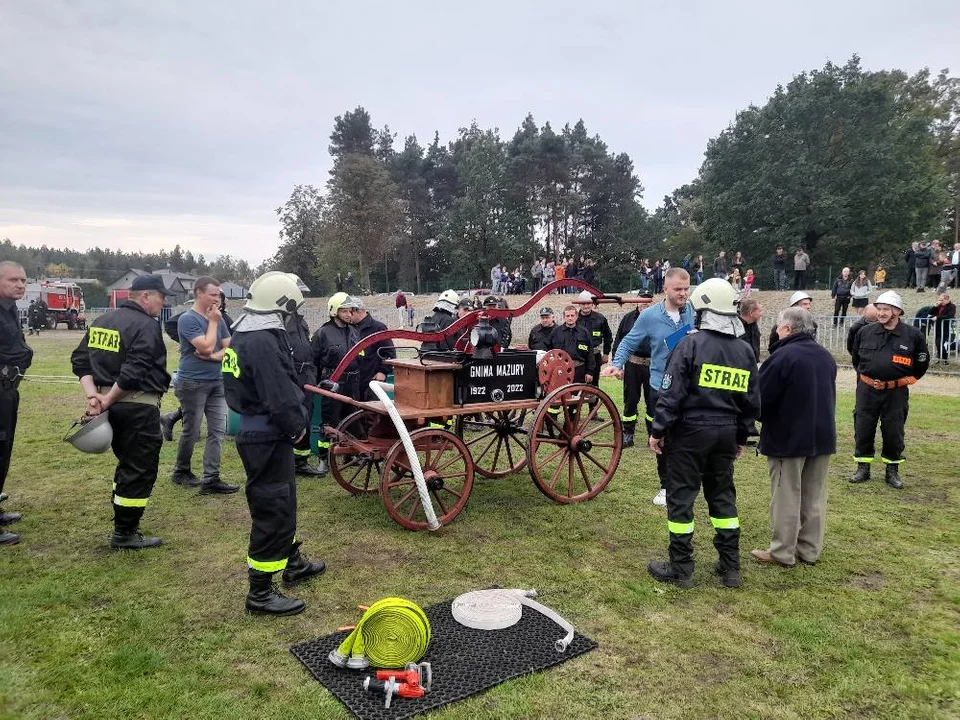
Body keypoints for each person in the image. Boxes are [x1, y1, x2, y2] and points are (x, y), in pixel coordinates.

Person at [645, 278, 760, 589]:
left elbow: (671, 394)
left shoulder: (690, 345)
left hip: (690, 432)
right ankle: (730, 567)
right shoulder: (745, 351)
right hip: (725, 433)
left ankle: (681, 568)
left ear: (704, 309)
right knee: (723, 497)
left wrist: (658, 430)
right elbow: (751, 401)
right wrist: (740, 437)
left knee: (681, 498)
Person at [222, 272, 326, 616]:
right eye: (290, 311)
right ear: (282, 305)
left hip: (260, 433)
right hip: (267, 434)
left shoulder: (244, 333)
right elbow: (279, 394)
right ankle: (261, 593)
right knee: (273, 506)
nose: (291, 318)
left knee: (284, 499)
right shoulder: (263, 341)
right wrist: (298, 429)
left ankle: (292, 561)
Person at [70, 274, 174, 549]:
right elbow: (134, 371)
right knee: (140, 467)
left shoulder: (102, 321)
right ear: (145, 297)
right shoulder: (146, 325)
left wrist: (94, 395)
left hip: (110, 406)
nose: (162, 305)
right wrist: (108, 398)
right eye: (161, 299)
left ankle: (123, 519)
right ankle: (125, 532)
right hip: (137, 405)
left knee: (127, 463)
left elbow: (80, 361)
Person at [752, 308, 837, 568]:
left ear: (787, 329)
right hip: (821, 436)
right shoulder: (826, 357)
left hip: (788, 438)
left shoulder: (782, 357)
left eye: (778, 327)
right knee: (814, 496)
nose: (776, 331)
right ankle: (809, 550)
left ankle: (782, 552)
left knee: (786, 495)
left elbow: (761, 398)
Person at [602, 268, 695, 506]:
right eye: (678, 289)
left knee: (687, 435)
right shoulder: (650, 316)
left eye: (686, 289)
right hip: (661, 385)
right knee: (662, 435)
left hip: (690, 385)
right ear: (665, 288)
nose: (683, 294)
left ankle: (686, 482)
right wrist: (616, 363)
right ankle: (665, 486)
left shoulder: (692, 311)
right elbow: (629, 341)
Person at [849, 291, 930, 489]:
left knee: (894, 430)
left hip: (896, 392)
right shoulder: (864, 332)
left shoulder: (913, 335)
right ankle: (863, 468)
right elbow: (856, 359)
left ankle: (892, 471)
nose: (881, 313)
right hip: (866, 390)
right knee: (863, 428)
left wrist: (906, 380)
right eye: (879, 309)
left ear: (897, 311)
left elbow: (921, 363)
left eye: (886, 309)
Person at [166, 277, 238, 495]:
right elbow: (205, 346)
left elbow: (230, 348)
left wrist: (214, 357)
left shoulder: (219, 317)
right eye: (213, 295)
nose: (218, 299)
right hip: (192, 382)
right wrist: (214, 323)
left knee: (217, 431)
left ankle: (211, 479)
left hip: (217, 381)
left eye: (219, 295)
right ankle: (181, 471)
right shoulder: (188, 319)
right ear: (199, 293)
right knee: (192, 430)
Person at [0, 262, 33, 546]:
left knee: (4, 449)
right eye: (13, 280)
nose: (20, 285)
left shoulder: (11, 310)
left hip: (9, 390)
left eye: (23, 280)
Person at [312, 292, 361, 474]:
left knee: (353, 420)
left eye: (351, 311)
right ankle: (323, 459)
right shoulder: (322, 333)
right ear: (334, 311)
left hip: (352, 383)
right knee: (328, 424)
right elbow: (314, 361)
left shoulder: (354, 332)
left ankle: (351, 455)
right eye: (345, 311)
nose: (349, 314)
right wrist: (319, 383)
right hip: (333, 384)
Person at [284, 289, 325, 477]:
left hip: (306, 375)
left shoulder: (300, 321)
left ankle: (300, 461)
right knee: (292, 416)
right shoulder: (279, 321)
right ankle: (286, 460)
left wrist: (312, 374)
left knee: (305, 417)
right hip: (291, 377)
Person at [611, 292, 654, 448]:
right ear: (636, 302)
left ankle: (653, 434)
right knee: (630, 400)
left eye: (647, 301)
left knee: (653, 401)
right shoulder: (628, 319)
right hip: (632, 365)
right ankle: (628, 434)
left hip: (652, 366)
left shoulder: (658, 318)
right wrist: (618, 366)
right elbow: (618, 343)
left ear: (651, 303)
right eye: (641, 301)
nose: (644, 304)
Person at [351, 296, 396, 400]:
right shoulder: (350, 329)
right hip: (354, 381)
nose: (348, 315)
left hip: (372, 380)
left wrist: (383, 371)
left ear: (358, 311)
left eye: (350, 312)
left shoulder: (378, 328)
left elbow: (390, 353)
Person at [575, 291, 612, 414]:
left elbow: (608, 336)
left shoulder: (600, 319)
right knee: (576, 384)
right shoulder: (574, 319)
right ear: (579, 305)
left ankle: (592, 411)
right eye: (583, 304)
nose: (586, 306)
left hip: (595, 356)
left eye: (588, 303)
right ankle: (575, 411)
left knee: (594, 384)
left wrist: (606, 354)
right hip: (579, 357)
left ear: (592, 304)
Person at [547, 306, 594, 383]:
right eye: (567, 316)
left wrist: (590, 372)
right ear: (564, 317)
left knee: (578, 393)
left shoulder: (584, 332)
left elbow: (590, 353)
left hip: (579, 369)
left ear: (576, 316)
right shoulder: (556, 332)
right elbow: (549, 351)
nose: (570, 318)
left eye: (572, 315)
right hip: (561, 369)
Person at [932, 293, 956, 365]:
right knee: (938, 344)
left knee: (941, 344)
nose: (940, 301)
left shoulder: (952, 306)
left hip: (946, 328)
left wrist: (937, 317)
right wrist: (934, 306)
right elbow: (930, 313)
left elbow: (950, 315)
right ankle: (941, 359)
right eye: (939, 300)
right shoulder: (938, 306)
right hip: (938, 328)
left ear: (947, 300)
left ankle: (944, 359)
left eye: (941, 300)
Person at [738, 297, 762, 363]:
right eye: (759, 311)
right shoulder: (735, 328)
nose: (761, 314)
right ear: (751, 313)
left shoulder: (753, 325)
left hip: (753, 365)